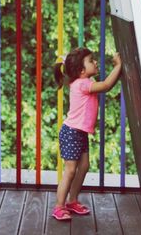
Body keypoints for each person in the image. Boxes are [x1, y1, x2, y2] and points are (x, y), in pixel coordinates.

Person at [52, 47, 122, 220]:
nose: (95, 62)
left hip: (79, 133)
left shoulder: (83, 80)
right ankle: (59, 207)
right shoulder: (83, 84)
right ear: (81, 71)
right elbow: (106, 86)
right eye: (91, 61)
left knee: (83, 167)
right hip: (72, 133)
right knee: (70, 170)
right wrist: (118, 66)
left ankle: (72, 201)